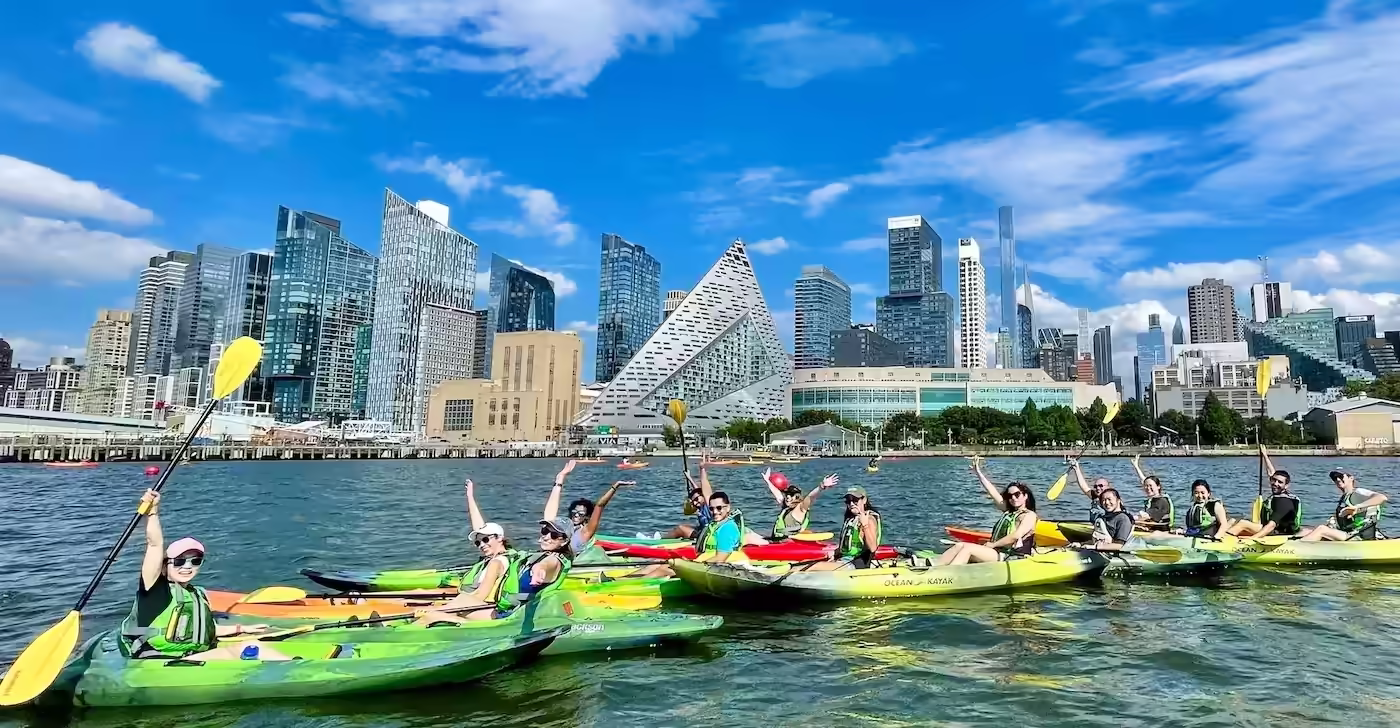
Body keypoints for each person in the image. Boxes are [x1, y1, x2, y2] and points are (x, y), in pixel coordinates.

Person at [120, 490, 289, 660]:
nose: (187, 567)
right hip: (159, 660)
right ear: (165, 565)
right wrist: (153, 512)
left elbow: (201, 629)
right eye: (179, 561)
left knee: (253, 644)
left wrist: (241, 629)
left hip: (189, 658)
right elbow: (155, 545)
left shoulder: (197, 593)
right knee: (249, 649)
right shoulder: (155, 589)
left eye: (195, 561)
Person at [936, 457, 1036, 565]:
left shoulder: (1029, 515)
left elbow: (1016, 535)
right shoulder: (1009, 510)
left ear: (1025, 496)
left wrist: (993, 544)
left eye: (1017, 494)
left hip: (1012, 556)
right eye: (1010, 496)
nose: (1013, 498)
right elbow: (991, 491)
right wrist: (978, 472)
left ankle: (948, 575)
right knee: (960, 545)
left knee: (968, 549)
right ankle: (934, 566)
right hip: (998, 552)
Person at [541, 458, 633, 561]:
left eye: (580, 514)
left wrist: (615, 487)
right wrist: (560, 479)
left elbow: (600, 505)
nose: (576, 515)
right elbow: (549, 514)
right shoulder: (562, 528)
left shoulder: (584, 532)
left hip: (568, 565)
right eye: (574, 512)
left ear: (587, 516)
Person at [1223, 445, 1302, 539]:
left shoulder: (1284, 502)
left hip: (1280, 534)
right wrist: (1264, 455)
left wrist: (1251, 540)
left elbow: (1271, 526)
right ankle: (1223, 537)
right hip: (1274, 530)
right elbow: (1271, 472)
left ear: (1286, 485)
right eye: (1274, 480)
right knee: (1233, 522)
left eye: (1280, 482)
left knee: (1243, 524)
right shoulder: (1279, 493)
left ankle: (1221, 542)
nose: (1275, 483)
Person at [805, 486, 885, 570]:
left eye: (855, 500)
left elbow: (873, 548)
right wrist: (836, 553)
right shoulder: (852, 518)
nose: (851, 504)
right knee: (807, 563)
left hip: (858, 563)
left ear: (864, 500)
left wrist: (865, 525)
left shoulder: (869, 519)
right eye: (848, 501)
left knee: (815, 567)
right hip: (845, 560)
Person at [1298, 470, 1388, 542]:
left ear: (1351, 478)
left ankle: (1295, 551)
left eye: (1341, 476)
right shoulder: (1344, 498)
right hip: (1348, 534)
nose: (1337, 479)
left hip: (1360, 536)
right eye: (1335, 478)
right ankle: (1290, 544)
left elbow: (1381, 497)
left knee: (1321, 529)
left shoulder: (1358, 492)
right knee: (1306, 530)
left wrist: (1357, 507)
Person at [761, 468, 838, 540]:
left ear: (797, 497)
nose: (788, 497)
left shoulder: (800, 508)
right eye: (787, 494)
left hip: (788, 544)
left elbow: (810, 497)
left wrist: (821, 486)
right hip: (778, 541)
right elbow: (778, 495)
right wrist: (767, 481)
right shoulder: (786, 507)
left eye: (791, 495)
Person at [693, 491, 745, 563]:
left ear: (728, 508)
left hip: (721, 566)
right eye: (711, 509)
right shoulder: (714, 525)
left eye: (719, 508)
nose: (715, 512)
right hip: (706, 560)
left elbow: (720, 558)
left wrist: (695, 564)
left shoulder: (727, 529)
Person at [1084, 487, 1138, 552]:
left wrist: (1095, 547)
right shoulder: (1105, 517)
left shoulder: (1123, 519)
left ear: (1118, 500)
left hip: (1113, 555)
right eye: (1103, 500)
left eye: (1109, 499)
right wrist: (1081, 544)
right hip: (1099, 550)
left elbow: (1119, 545)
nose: (1106, 502)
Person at [1130, 455, 1174, 532]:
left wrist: (1128, 517)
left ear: (1158, 486)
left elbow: (1146, 515)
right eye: (1146, 486)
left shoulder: (1161, 501)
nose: (1148, 488)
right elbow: (1144, 480)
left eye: (1150, 486)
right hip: (1154, 528)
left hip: (1161, 532)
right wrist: (1136, 466)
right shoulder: (1155, 498)